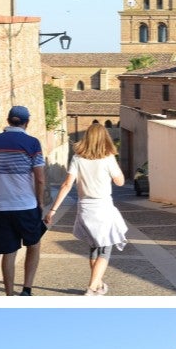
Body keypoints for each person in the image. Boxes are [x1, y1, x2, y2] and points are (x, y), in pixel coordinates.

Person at [44, 122, 129, 295]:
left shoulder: (77, 158)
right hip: (103, 208)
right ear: (105, 138)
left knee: (94, 248)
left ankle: (98, 286)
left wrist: (53, 210)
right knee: (105, 249)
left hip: (85, 209)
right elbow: (120, 181)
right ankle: (91, 288)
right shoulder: (108, 158)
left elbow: (67, 184)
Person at [0, 105, 46, 296]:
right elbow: (40, 178)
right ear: (27, 122)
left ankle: (9, 294)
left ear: (8, 120)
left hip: (0, 207)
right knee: (34, 245)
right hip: (26, 205)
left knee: (9, 251)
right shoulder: (32, 143)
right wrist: (40, 201)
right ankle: (26, 289)